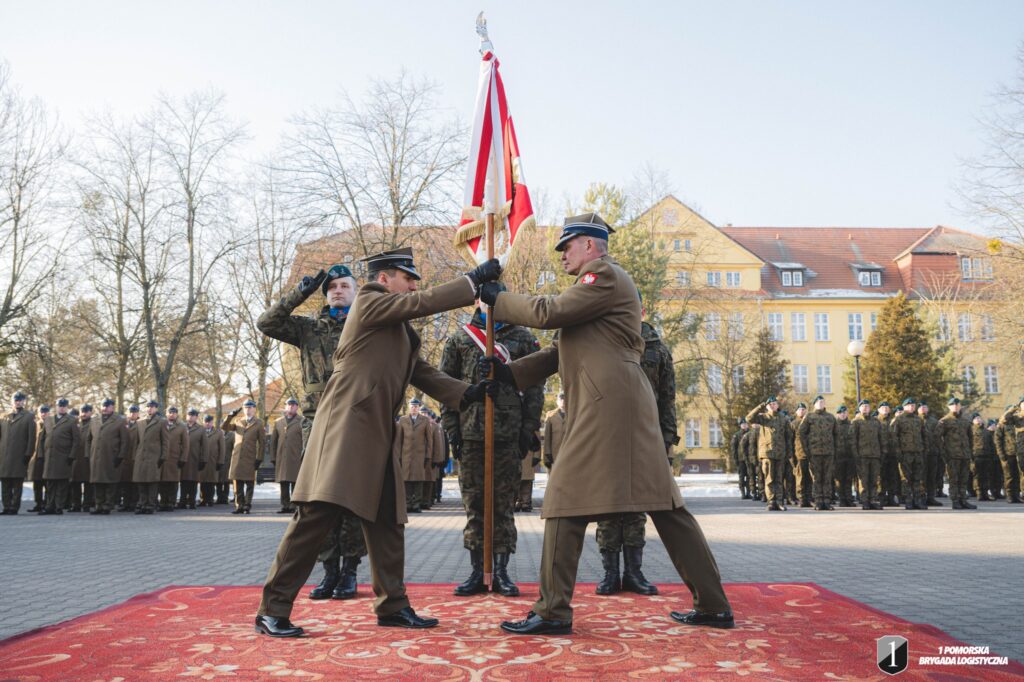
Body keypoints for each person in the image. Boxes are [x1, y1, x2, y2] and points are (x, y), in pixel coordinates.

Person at [479, 213, 733, 635]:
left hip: (610, 408)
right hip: (618, 407)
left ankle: (553, 610)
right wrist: (511, 373)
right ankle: (713, 605)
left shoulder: (604, 276)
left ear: (591, 246)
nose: (562, 255)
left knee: (563, 499)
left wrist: (499, 297)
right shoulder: (595, 289)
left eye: (568, 246)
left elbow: (549, 312)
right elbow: (562, 349)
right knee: (666, 507)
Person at [254, 248, 501, 637]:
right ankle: (273, 608)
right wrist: (471, 282)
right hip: (345, 428)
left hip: (379, 431)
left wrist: (467, 392)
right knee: (315, 517)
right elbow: (423, 302)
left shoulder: (399, 328)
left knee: (388, 520)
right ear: (384, 278)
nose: (414, 284)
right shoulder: (368, 302)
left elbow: (420, 371)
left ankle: (393, 605)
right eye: (408, 277)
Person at [257, 263, 368, 592]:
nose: (337, 290)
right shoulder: (308, 328)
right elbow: (267, 322)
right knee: (318, 497)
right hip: (316, 418)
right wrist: (300, 290)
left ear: (356, 291)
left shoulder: (365, 326)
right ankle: (329, 568)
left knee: (350, 496)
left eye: (344, 286)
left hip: (353, 417)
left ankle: (349, 570)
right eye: (331, 286)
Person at [440, 293, 544, 598]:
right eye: (485, 301)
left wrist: (528, 428)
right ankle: (476, 572)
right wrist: (452, 432)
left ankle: (500, 572)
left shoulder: (523, 338)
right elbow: (446, 388)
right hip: (472, 434)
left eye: (496, 300)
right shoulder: (460, 339)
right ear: (476, 304)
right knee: (475, 505)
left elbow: (535, 387)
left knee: (503, 507)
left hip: (508, 434)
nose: (491, 305)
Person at [86, 399, 131, 515]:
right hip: (96, 456)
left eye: (108, 406)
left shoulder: (119, 421)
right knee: (97, 482)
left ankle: (108, 505)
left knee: (110, 482)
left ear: (113, 407)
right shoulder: (94, 420)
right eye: (103, 405)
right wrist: (88, 455)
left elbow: (125, 441)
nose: (105, 408)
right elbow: (89, 439)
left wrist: (120, 456)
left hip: (111, 456)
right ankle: (98, 505)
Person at [748, 397, 790, 511]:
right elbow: (749, 418)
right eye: (770, 404)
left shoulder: (784, 419)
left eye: (774, 404)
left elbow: (788, 437)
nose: (772, 406)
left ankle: (780, 501)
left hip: (780, 453)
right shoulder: (763, 418)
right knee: (769, 478)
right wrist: (761, 406)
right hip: (767, 453)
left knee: (779, 479)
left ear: (777, 405)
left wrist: (788, 453)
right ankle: (771, 501)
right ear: (767, 406)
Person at [223, 400, 264, 515]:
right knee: (237, 483)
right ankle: (239, 506)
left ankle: (247, 505)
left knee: (250, 483)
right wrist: (230, 416)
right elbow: (225, 427)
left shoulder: (259, 423)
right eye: (246, 408)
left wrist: (259, 458)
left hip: (250, 457)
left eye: (250, 407)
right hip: (237, 457)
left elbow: (262, 442)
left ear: (254, 409)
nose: (248, 410)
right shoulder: (238, 421)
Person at [0, 392, 36, 515]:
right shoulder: (4, 417)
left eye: (20, 400)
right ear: (12, 401)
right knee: (5, 484)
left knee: (16, 484)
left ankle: (14, 507)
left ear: (24, 402)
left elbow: (31, 438)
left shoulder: (28, 417)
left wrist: (28, 454)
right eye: (16, 400)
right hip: (4, 457)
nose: (18, 402)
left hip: (19, 456)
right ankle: (6, 507)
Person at [40, 400, 78, 515]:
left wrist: (72, 455)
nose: (61, 408)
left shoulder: (71, 421)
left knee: (61, 483)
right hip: (49, 457)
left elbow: (76, 440)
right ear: (56, 407)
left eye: (64, 406)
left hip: (63, 456)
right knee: (50, 484)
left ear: (67, 407)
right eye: (59, 406)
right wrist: (41, 454)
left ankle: (59, 506)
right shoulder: (48, 420)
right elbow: (42, 439)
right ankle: (49, 506)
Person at [937, 397, 975, 510]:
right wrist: (944, 452)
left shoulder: (965, 421)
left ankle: (963, 500)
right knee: (954, 479)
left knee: (964, 478)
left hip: (965, 455)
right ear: (949, 407)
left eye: (957, 405)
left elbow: (970, 438)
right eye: (953, 405)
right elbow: (937, 437)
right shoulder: (944, 421)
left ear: (960, 406)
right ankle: (955, 500)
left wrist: (970, 451)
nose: (955, 406)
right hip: (952, 455)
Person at [397, 398, 433, 514]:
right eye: (412, 406)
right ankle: (407, 504)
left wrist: (428, 455)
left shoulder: (425, 420)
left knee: (418, 481)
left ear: (418, 408)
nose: (414, 408)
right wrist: (398, 454)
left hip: (419, 455)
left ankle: (416, 504)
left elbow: (429, 439)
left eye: (416, 406)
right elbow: (399, 439)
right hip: (406, 455)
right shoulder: (403, 420)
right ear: (409, 407)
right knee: (406, 481)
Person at [270, 398, 305, 514]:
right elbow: (273, 441)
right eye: (288, 405)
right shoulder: (278, 422)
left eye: (293, 405)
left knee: (295, 482)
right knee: (283, 482)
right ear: (285, 407)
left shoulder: (302, 421)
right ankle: (285, 505)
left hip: (296, 457)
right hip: (282, 457)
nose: (291, 407)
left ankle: (294, 506)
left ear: (297, 407)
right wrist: (273, 457)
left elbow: (305, 440)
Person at [133, 401, 168, 514]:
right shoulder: (140, 422)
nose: (149, 409)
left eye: (152, 407)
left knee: (152, 482)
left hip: (154, 456)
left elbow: (165, 441)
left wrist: (163, 456)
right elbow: (136, 441)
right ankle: (142, 504)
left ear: (156, 408)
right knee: (141, 481)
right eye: (147, 407)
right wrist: (135, 456)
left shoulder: (161, 422)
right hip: (141, 456)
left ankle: (151, 505)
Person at [851, 399, 884, 510]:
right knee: (864, 480)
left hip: (875, 455)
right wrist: (856, 455)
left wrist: (882, 453)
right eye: (863, 406)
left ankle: (873, 500)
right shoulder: (856, 422)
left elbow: (881, 439)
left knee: (874, 480)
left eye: (867, 406)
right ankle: (865, 501)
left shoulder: (876, 422)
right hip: (862, 456)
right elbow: (853, 440)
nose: (865, 408)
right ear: (859, 408)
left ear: (870, 408)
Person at [159, 407, 188, 512]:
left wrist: (183, 458)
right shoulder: (161, 424)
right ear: (166, 413)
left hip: (175, 458)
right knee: (162, 483)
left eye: (174, 413)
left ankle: (171, 503)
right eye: (170, 412)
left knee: (173, 482)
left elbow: (185, 445)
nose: (172, 414)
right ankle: (163, 502)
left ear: (177, 414)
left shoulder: (182, 426)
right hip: (163, 458)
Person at [179, 408, 206, 510]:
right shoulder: (181, 427)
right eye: (189, 415)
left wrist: (204, 459)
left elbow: (205, 446)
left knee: (193, 482)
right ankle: (182, 501)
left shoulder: (201, 429)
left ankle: (191, 501)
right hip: (182, 458)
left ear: (196, 417)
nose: (191, 417)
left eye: (193, 415)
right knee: (183, 481)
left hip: (195, 458)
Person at [69, 405, 95, 512]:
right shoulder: (75, 424)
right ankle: (76, 504)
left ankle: (87, 504)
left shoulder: (93, 424)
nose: (83, 414)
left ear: (90, 412)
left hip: (87, 456)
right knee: (75, 482)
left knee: (88, 482)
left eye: (86, 411)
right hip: (76, 457)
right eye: (82, 411)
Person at [25, 404, 49, 512]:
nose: (43, 414)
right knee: (37, 483)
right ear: (38, 413)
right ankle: (38, 503)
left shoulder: (52, 425)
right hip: (35, 458)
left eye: (45, 412)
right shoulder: (34, 425)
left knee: (47, 483)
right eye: (41, 412)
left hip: (47, 458)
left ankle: (47, 504)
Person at [118, 405, 140, 512]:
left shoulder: (140, 425)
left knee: (134, 482)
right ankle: (125, 503)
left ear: (138, 414)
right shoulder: (122, 424)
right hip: (124, 456)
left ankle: (133, 503)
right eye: (130, 412)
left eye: (135, 412)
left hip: (135, 456)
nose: (132, 414)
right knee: (125, 483)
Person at [200, 415, 225, 507]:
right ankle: (203, 499)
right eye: (206, 421)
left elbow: (222, 448)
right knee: (203, 481)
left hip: (213, 460)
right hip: (202, 460)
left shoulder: (218, 433)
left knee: (211, 481)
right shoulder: (200, 431)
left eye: (209, 422)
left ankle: (210, 499)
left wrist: (220, 461)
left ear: (212, 422)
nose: (207, 423)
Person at [833, 405, 855, 506]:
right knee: (839, 479)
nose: (843, 414)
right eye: (841, 413)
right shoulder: (834, 425)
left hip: (850, 455)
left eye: (845, 412)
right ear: (837, 414)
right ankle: (842, 499)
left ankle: (849, 499)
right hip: (838, 456)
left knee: (849, 479)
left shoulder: (851, 425)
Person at [542, 393, 565, 470]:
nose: (562, 401)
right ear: (557, 401)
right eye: (560, 399)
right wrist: (547, 454)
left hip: (569, 451)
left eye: (564, 399)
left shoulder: (573, 414)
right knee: (554, 478)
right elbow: (547, 436)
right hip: (554, 453)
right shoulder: (550, 414)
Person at [731, 418, 750, 499]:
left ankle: (749, 493)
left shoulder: (750, 433)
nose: (745, 425)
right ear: (740, 425)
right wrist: (735, 459)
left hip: (749, 459)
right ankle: (743, 493)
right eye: (743, 424)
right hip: (741, 459)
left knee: (750, 476)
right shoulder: (737, 435)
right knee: (742, 477)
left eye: (746, 424)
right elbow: (733, 448)